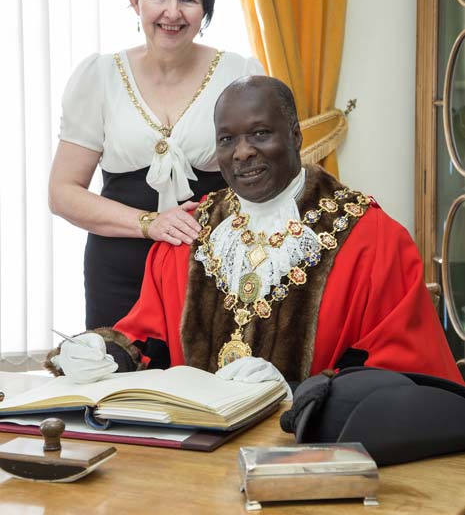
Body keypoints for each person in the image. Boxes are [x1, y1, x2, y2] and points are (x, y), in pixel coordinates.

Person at [46, 76, 464, 388]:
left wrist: (306, 393)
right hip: (196, 469)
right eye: (227, 139)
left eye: (260, 133)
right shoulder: (190, 235)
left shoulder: (371, 237)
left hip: (308, 463)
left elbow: (403, 365)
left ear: (296, 136)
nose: (242, 151)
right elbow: (148, 338)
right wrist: (104, 353)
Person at [48, 0, 264, 329]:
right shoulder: (99, 77)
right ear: (135, 0)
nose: (172, 12)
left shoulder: (241, 76)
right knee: (118, 380)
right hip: (117, 267)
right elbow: (63, 193)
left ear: (205, 9)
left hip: (214, 263)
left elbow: (268, 180)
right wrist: (150, 222)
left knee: (214, 385)